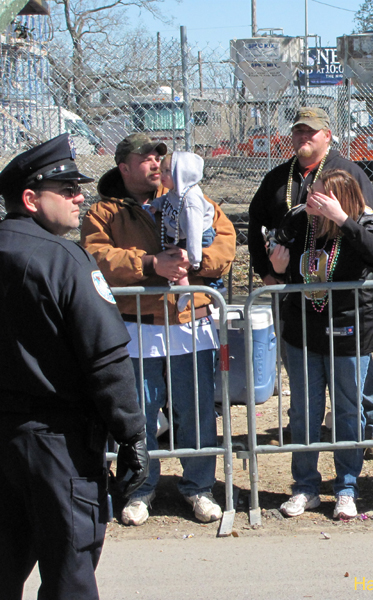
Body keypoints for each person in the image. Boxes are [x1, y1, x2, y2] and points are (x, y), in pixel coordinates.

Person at [0, 134, 149, 598]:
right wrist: (132, 435)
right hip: (57, 444)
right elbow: (106, 359)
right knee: (70, 574)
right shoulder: (65, 260)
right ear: (31, 199)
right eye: (66, 190)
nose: (79, 197)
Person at [81, 133, 236, 526]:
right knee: (139, 416)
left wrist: (191, 263)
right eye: (145, 158)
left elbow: (225, 244)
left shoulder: (191, 199)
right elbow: (97, 256)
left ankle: (199, 487)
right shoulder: (103, 212)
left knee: (196, 411)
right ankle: (139, 490)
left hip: (191, 325)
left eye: (158, 157)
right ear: (124, 167)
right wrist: (151, 264)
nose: (155, 163)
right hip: (135, 329)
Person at [248, 107, 373, 461]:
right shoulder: (279, 178)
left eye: (310, 131)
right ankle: (304, 426)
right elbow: (255, 226)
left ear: (327, 135)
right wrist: (267, 271)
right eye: (298, 131)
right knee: (300, 363)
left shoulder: (348, 173)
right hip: (295, 291)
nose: (303, 137)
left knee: (353, 369)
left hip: (343, 301)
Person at [269, 169, 373, 519]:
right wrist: (276, 264)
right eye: (310, 191)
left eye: (319, 194)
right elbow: (277, 251)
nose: (310, 197)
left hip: (348, 332)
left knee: (348, 410)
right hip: (303, 330)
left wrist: (341, 219)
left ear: (339, 198)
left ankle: (346, 488)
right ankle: (305, 486)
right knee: (304, 410)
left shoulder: (362, 221)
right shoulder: (299, 221)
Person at [150, 151, 225, 310]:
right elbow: (166, 200)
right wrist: (156, 205)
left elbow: (194, 229)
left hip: (199, 236)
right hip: (182, 235)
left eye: (168, 171)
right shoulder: (174, 192)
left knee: (186, 262)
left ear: (182, 173)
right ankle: (187, 289)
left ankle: (214, 289)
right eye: (162, 170)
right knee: (176, 259)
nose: (162, 174)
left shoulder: (190, 200)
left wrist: (194, 257)